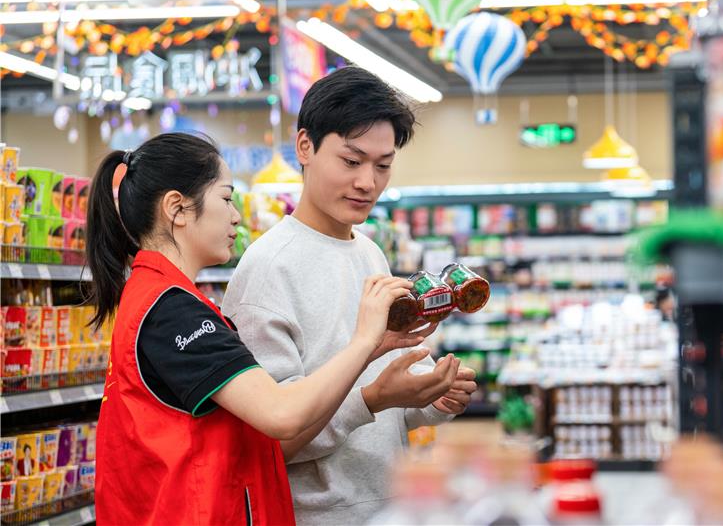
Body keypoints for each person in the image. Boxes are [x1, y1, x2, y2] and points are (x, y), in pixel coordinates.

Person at [88, 132, 460, 525]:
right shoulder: (172, 310)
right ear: (177, 209)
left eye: (383, 164)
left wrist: (375, 354)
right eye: (226, 198)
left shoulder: (162, 298)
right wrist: (364, 343)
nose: (236, 216)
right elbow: (281, 415)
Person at [222, 66, 478, 525]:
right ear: (305, 147)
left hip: (390, 507)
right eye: (351, 161)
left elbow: (378, 410)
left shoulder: (369, 252)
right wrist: (373, 399)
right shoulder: (268, 270)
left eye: (383, 165)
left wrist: (429, 400)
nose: (368, 182)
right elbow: (270, 442)